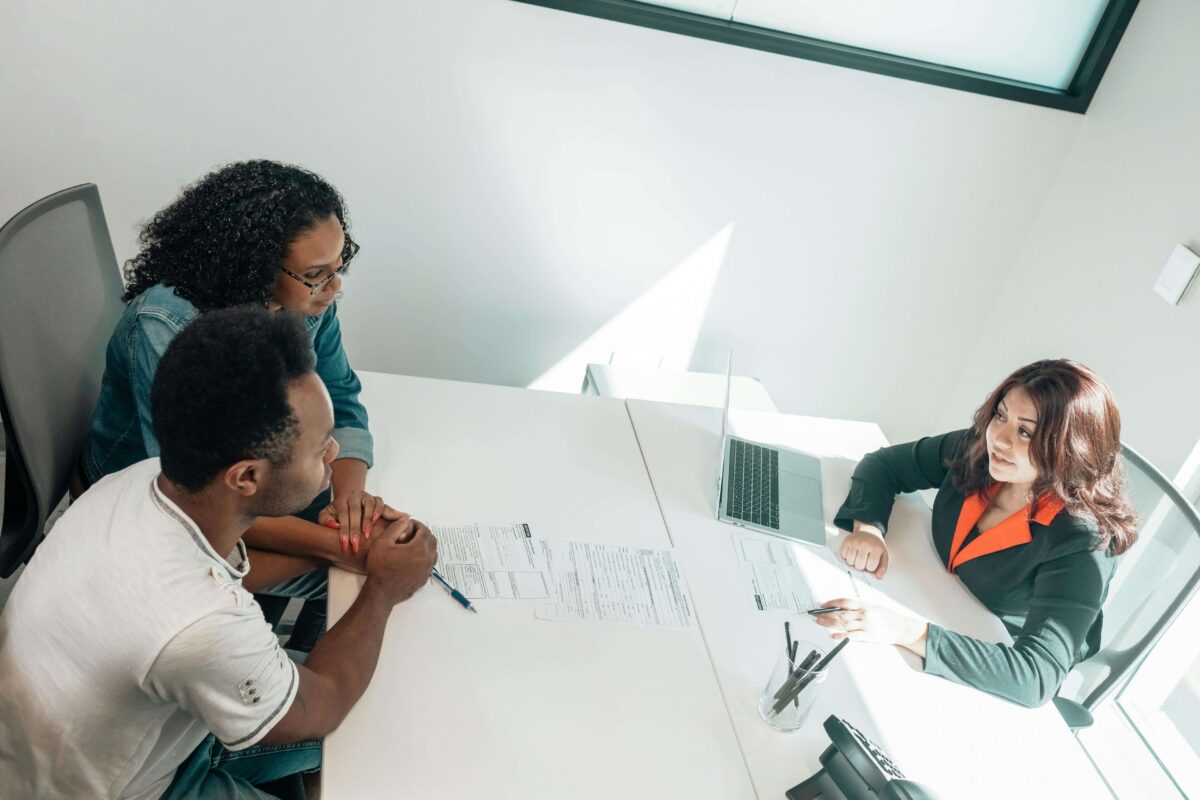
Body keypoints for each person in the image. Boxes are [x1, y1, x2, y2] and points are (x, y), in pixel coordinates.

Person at [0, 308, 438, 799]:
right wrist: (383, 587)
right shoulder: (201, 625)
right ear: (246, 477)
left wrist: (339, 552)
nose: (335, 453)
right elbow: (324, 705)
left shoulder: (140, 479)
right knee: (366, 731)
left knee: (364, 716)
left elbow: (228, 576)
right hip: (114, 787)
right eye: (320, 450)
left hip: (77, 732)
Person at [82, 159, 385, 648]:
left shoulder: (308, 300)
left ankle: (308, 643)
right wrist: (337, 546)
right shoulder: (168, 325)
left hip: (255, 478)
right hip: (163, 498)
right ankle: (295, 670)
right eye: (316, 274)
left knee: (361, 559)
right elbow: (200, 495)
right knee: (358, 575)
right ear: (256, 265)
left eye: (340, 264)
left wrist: (349, 503)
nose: (335, 286)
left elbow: (343, 401)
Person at [817, 359, 1138, 707]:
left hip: (981, 656)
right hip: (924, 593)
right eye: (1001, 416)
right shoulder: (980, 453)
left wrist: (902, 629)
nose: (999, 439)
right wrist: (869, 528)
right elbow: (886, 465)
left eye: (1025, 432)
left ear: (1068, 451)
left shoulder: (1084, 544)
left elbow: (1034, 678)